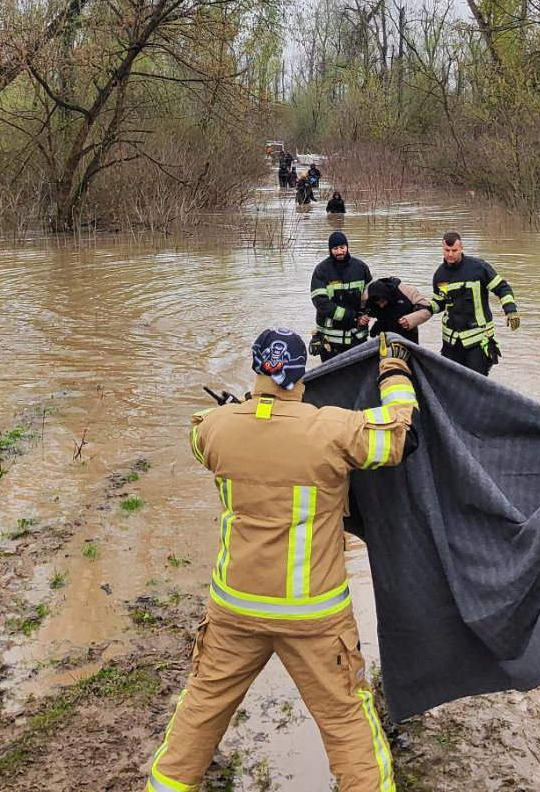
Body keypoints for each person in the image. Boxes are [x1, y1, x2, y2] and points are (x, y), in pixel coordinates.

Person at [146, 329, 417, 792]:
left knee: (200, 710)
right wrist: (395, 372)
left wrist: (240, 411)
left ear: (257, 368)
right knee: (346, 720)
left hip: (234, 608)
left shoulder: (214, 428)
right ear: (301, 375)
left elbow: (206, 434)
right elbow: (398, 436)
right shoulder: (333, 430)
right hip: (314, 615)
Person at [430, 231, 518, 376]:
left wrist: (511, 310)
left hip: (478, 339)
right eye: (447, 250)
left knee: (477, 382)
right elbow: (439, 302)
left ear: (461, 248)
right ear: (442, 248)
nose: (450, 254)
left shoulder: (478, 267)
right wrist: (421, 309)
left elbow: (502, 288)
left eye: (454, 250)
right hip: (451, 342)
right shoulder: (439, 274)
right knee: (450, 382)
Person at [310, 231, 372, 361]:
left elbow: (370, 298)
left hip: (357, 337)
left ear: (347, 246)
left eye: (342, 247)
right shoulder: (321, 271)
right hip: (330, 341)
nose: (339, 252)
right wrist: (353, 318)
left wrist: (365, 315)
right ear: (330, 250)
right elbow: (321, 304)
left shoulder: (361, 268)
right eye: (335, 248)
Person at [361, 277, 432, 344]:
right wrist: (362, 318)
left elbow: (427, 309)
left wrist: (409, 320)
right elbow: (361, 311)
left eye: (383, 302)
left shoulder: (408, 292)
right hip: (382, 333)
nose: (381, 305)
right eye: (378, 304)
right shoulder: (367, 296)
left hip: (407, 333)